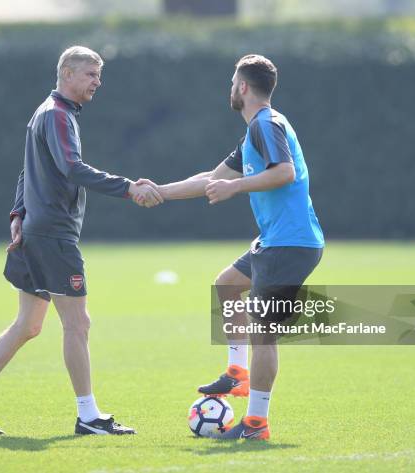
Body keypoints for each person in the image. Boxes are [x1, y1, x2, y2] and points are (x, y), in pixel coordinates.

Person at [0, 46, 162, 436]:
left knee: (28, 325)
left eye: (99, 75)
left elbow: (26, 171)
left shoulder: (45, 112)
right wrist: (129, 187)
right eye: (90, 75)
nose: (97, 82)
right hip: (53, 235)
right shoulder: (59, 115)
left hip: (36, 229)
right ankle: (89, 416)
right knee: (78, 324)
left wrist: (17, 214)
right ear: (66, 73)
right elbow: (71, 168)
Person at [140, 54, 324, 440]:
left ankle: (256, 424)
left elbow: (285, 172)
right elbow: (211, 178)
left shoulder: (266, 125)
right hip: (276, 240)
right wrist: (160, 192)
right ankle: (237, 373)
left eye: (231, 82)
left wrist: (235, 187)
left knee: (263, 333)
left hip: (290, 243)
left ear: (242, 86)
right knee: (226, 284)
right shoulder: (254, 133)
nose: (230, 88)